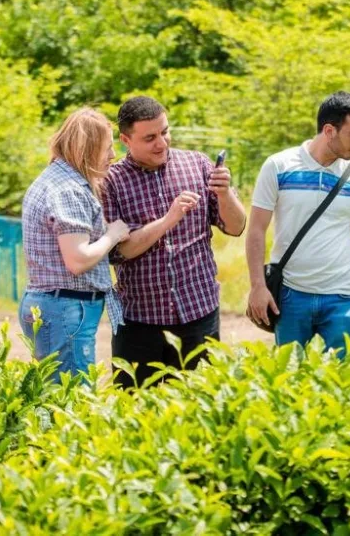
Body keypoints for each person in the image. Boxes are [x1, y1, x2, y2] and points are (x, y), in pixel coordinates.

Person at [102, 96, 246, 388]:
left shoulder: (197, 164)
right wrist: (168, 220)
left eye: (165, 132)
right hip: (139, 321)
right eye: (150, 138)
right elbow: (119, 251)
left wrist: (225, 193)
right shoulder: (111, 182)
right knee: (136, 412)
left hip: (198, 312)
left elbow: (237, 226)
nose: (162, 143)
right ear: (126, 140)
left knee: (200, 407)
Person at [245, 92, 350, 356]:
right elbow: (256, 230)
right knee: (290, 379)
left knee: (340, 380)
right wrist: (258, 286)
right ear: (329, 130)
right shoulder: (278, 166)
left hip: (342, 297)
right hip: (290, 295)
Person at [19, 108, 129, 382]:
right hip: (67, 309)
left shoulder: (53, 179)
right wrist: (112, 235)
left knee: (54, 393)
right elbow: (78, 259)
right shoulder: (68, 190)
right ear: (87, 149)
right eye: (107, 148)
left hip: (55, 305)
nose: (113, 156)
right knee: (71, 402)